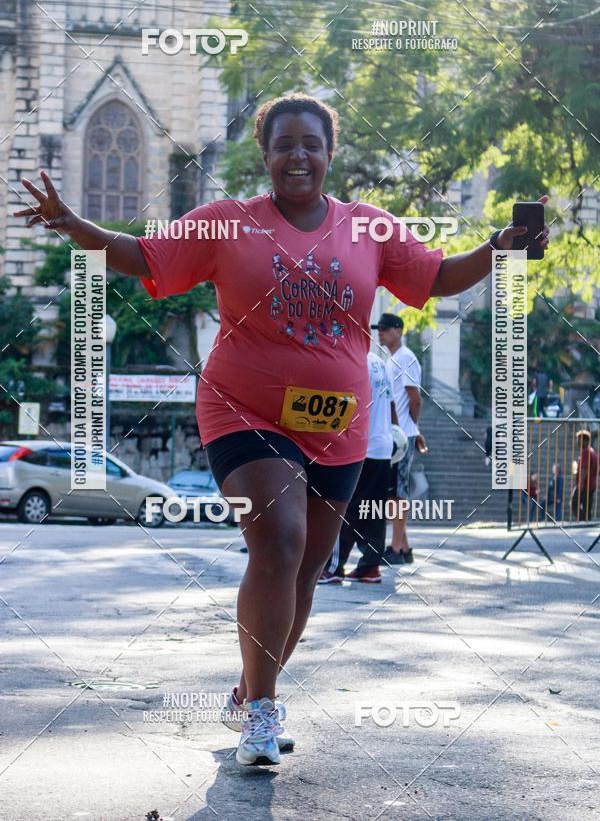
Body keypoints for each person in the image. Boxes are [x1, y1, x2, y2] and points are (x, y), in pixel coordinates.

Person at [15, 92, 549, 768]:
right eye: (284, 144)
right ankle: (264, 714)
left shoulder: (368, 227)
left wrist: (498, 248)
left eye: (311, 144)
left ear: (330, 153)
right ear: (265, 155)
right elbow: (144, 255)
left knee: (306, 572)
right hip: (243, 410)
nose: (298, 156)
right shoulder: (228, 223)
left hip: (338, 426)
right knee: (280, 540)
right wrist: (74, 225)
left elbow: (438, 277)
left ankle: (249, 691)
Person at [318, 349, 396, 584]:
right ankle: (370, 566)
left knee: (344, 506)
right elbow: (391, 406)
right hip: (383, 445)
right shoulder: (380, 363)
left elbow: (348, 405)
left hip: (361, 445)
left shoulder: (355, 361)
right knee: (373, 509)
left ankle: (333, 567)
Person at [375, 314, 426, 565]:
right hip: (396, 434)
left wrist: (412, 428)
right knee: (393, 491)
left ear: (398, 330)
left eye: (385, 328)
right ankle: (404, 548)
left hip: (402, 434)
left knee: (399, 492)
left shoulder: (405, 357)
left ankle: (395, 549)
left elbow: (414, 397)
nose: (380, 332)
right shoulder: (393, 359)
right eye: (379, 328)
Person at [571, 430, 598, 522]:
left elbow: (584, 469)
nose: (577, 441)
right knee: (587, 507)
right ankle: (586, 522)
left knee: (574, 503)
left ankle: (582, 521)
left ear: (585, 440)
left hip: (585, 484)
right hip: (592, 484)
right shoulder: (593, 451)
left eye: (579, 439)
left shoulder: (586, 452)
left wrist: (580, 484)